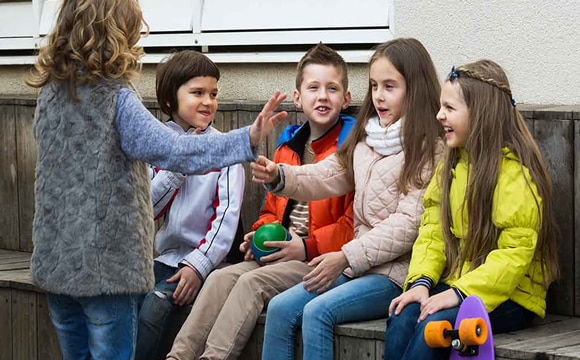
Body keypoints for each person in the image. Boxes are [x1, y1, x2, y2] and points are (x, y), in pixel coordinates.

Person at [26, 1, 287, 359]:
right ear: (119, 32)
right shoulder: (115, 98)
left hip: (56, 263)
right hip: (107, 272)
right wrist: (246, 140)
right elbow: (175, 151)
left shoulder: (50, 94)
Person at [253, 38, 444, 360]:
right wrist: (280, 176)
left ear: (416, 88)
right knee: (281, 307)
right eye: (374, 86)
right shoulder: (369, 137)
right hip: (357, 264)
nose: (379, 96)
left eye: (390, 86)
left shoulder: (430, 148)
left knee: (318, 312)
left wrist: (344, 256)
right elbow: (328, 174)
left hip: (396, 274)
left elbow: (409, 223)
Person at [166, 42, 355, 360]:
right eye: (313, 88)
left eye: (332, 88)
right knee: (219, 277)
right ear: (298, 98)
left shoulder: (349, 151)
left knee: (251, 284)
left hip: (318, 260)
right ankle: (178, 356)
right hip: (280, 253)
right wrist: (259, 234)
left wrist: (306, 247)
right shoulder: (287, 148)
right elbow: (271, 211)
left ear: (346, 98)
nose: (322, 96)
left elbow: (352, 224)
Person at [384, 59, 560, 360]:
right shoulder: (450, 167)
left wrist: (459, 293)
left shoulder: (513, 175)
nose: (439, 115)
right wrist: (421, 282)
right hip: (462, 285)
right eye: (441, 107)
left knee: (436, 326)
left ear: (481, 115)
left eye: (450, 109)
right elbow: (433, 233)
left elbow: (513, 255)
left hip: (511, 297)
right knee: (403, 313)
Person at [134, 50, 246, 360]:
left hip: (208, 265)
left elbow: (227, 218)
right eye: (197, 93)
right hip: (165, 258)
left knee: (154, 308)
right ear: (170, 100)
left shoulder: (224, 150)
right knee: (125, 301)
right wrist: (176, 169)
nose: (208, 101)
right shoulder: (157, 147)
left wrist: (197, 267)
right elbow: (148, 210)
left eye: (213, 93)